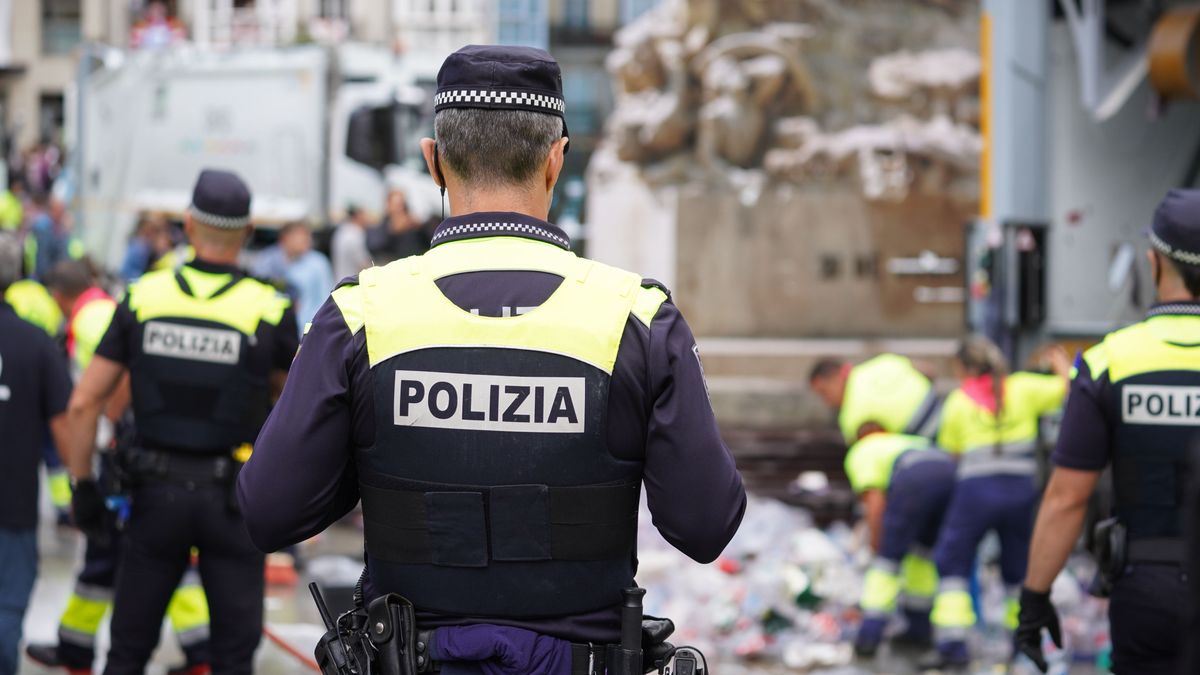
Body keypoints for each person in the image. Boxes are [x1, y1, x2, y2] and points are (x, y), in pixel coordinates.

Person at [239, 44, 747, 674]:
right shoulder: (636, 320)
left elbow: (269, 511)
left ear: (433, 161)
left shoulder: (362, 314)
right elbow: (706, 524)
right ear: (557, 160)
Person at [62, 168, 298, 675]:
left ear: (188, 226)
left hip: (153, 497)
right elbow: (297, 409)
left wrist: (82, 487)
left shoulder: (144, 296)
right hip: (234, 503)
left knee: (128, 649)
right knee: (234, 656)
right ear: (247, 231)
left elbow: (84, 403)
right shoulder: (270, 307)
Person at [1016, 189, 1200, 675]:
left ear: (1154, 262)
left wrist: (1035, 597)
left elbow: (1066, 498)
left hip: (1147, 590)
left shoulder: (1109, 363)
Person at [29, 261, 212, 675]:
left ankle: (197, 653)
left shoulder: (92, 317)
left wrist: (111, 438)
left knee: (122, 552)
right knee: (118, 554)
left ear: (59, 296)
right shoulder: (97, 310)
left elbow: (123, 371)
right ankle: (77, 645)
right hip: (131, 452)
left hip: (122, 456)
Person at [924, 336, 1068, 670]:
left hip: (975, 493)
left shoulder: (959, 401)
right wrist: (1059, 361)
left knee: (952, 562)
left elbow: (952, 454)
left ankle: (953, 644)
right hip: (1020, 492)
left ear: (963, 367)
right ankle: (1021, 644)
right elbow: (1069, 389)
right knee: (1018, 570)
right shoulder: (1024, 388)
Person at [0, 232, 73, 675]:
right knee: (7, 606)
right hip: (13, 504)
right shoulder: (36, 343)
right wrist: (81, 486)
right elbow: (66, 424)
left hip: (17, 508)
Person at [845, 428, 956, 658]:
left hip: (913, 478)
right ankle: (919, 629)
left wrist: (877, 543)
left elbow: (875, 502)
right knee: (924, 555)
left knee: (887, 562)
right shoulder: (906, 441)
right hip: (950, 472)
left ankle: (869, 636)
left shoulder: (861, 451)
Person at [810, 353, 942, 446]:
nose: (826, 402)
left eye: (824, 392)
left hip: (923, 438)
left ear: (837, 377)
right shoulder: (882, 361)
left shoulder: (850, 418)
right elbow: (929, 371)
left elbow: (874, 453)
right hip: (942, 409)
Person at [251, 221, 333, 332]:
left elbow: (324, 300)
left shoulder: (318, 263)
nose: (308, 241)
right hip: (271, 328)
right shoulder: (265, 260)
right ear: (284, 239)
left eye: (307, 237)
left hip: (304, 331)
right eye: (301, 237)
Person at [367, 188, 433, 264]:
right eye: (397, 205)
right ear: (388, 205)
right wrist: (393, 232)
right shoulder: (380, 227)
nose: (400, 209)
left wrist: (421, 227)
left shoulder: (413, 225)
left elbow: (429, 242)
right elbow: (375, 248)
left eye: (402, 204)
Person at [330, 205, 372, 281]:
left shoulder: (341, 231)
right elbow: (363, 265)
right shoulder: (355, 234)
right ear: (358, 216)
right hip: (351, 285)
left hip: (339, 283)